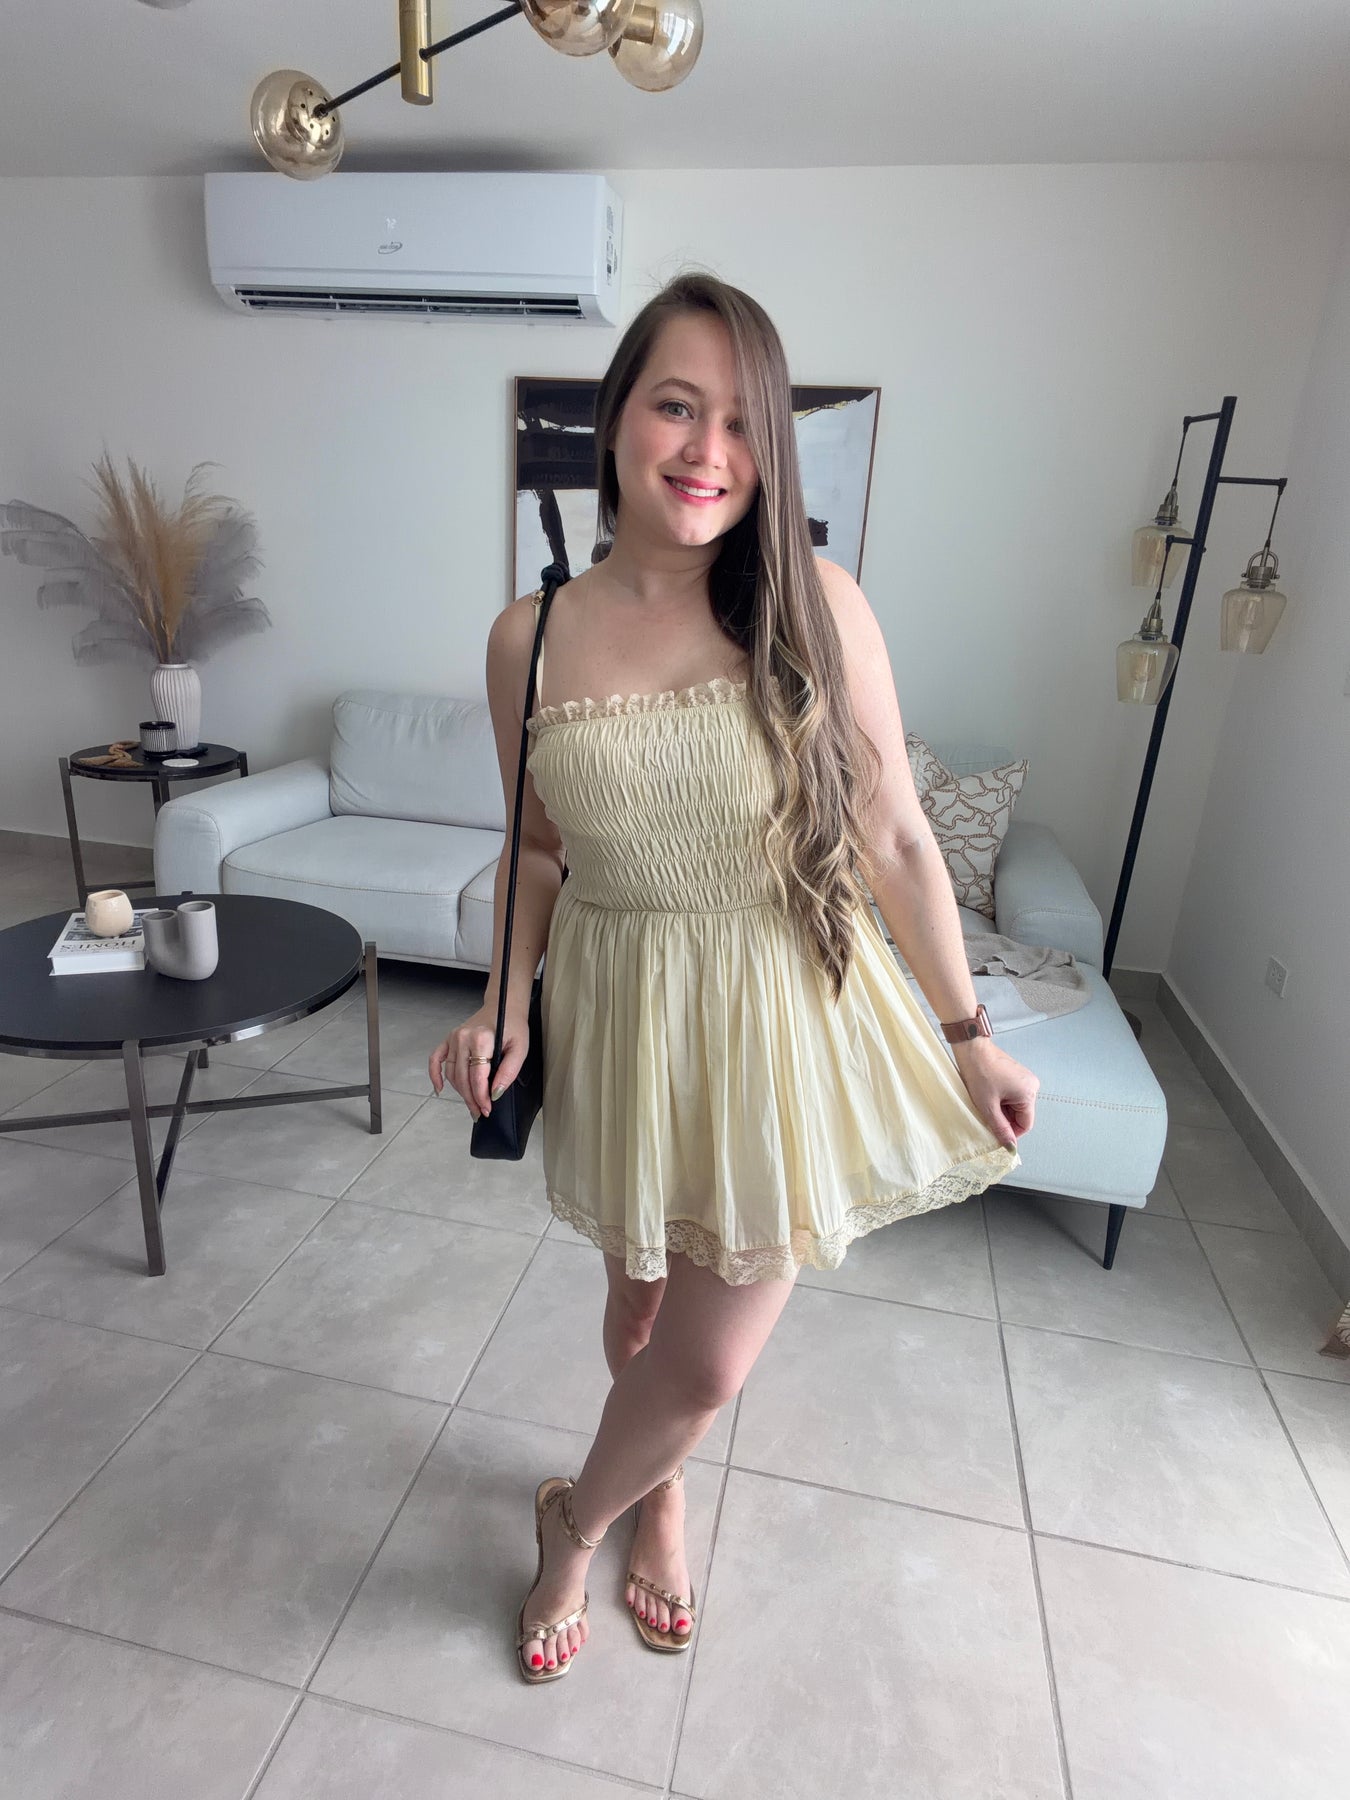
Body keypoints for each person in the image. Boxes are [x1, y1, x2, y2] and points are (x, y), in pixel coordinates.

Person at [428, 271, 1039, 1686]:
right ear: (615, 421)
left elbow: (895, 834)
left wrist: (968, 1033)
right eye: (675, 407)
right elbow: (535, 850)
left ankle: (575, 1524)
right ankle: (662, 1493)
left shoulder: (812, 604)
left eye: (743, 421)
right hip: (620, 1006)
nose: (708, 450)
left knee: (706, 1362)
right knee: (642, 1316)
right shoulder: (528, 636)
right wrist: (503, 1002)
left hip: (773, 1012)